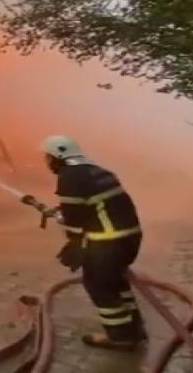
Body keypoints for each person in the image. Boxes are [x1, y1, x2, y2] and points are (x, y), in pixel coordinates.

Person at [42, 135, 147, 351]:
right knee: (116, 282)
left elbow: (74, 220)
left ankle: (120, 337)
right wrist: (63, 211)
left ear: (56, 156)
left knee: (98, 285)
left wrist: (71, 239)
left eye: (48, 157)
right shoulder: (96, 170)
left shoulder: (69, 176)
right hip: (129, 237)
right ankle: (134, 328)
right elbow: (94, 204)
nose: (47, 161)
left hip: (108, 241)